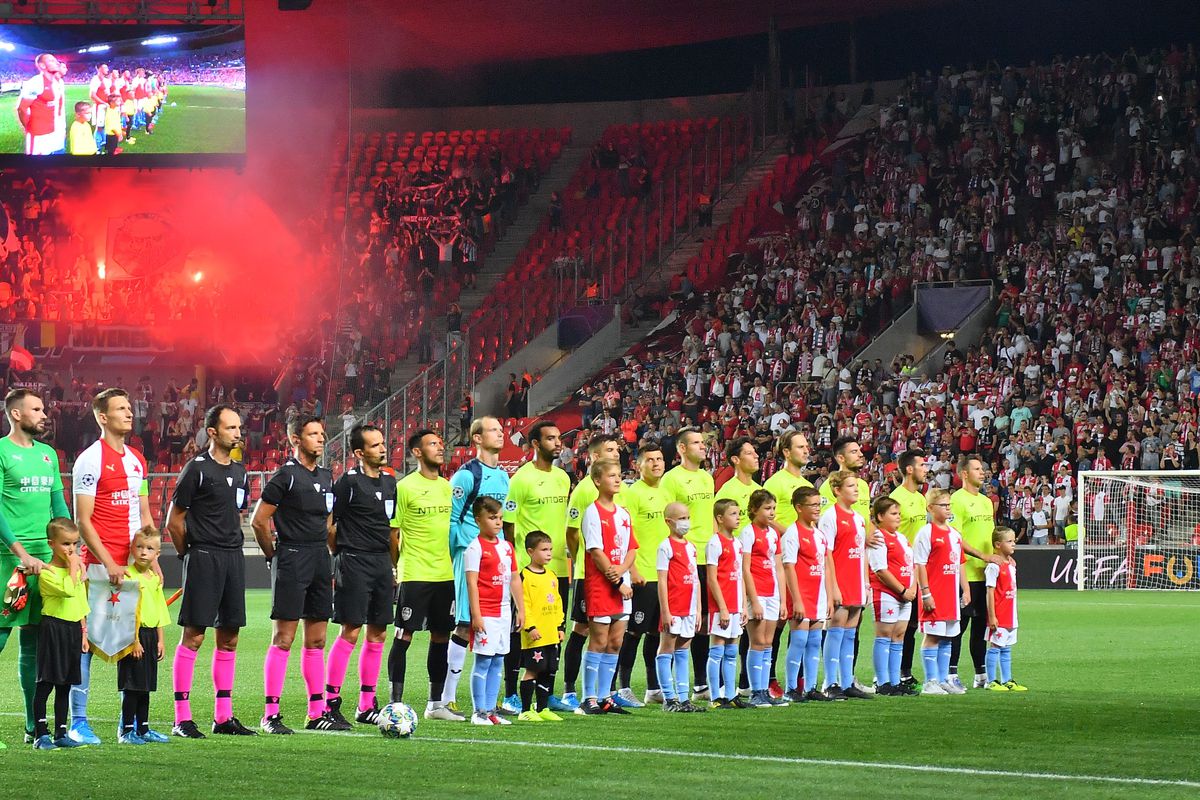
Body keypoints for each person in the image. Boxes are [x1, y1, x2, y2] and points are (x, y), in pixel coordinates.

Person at [251, 416, 344, 734]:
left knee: (317, 639)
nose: (321, 438)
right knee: (284, 638)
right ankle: (270, 715)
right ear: (295, 439)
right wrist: (272, 555)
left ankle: (316, 713)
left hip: (319, 558)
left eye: (322, 433)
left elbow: (329, 521)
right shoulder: (285, 476)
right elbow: (259, 520)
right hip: (292, 556)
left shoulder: (326, 476)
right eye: (313, 434)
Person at [166, 404, 255, 739]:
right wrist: (188, 554)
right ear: (213, 432)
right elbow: (174, 522)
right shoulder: (196, 469)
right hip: (203, 556)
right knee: (194, 636)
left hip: (233, 558)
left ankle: (223, 717)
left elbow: (237, 513)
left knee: (229, 638)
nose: (238, 433)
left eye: (239, 427)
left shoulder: (241, 472)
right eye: (231, 428)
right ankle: (182, 718)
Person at [71, 387, 151, 745]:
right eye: (120, 408)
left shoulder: (137, 459)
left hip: (132, 566)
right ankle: (78, 722)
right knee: (87, 643)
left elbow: (144, 513)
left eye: (129, 407)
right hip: (99, 567)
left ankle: (128, 726)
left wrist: (151, 558)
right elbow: (83, 520)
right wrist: (108, 562)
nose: (129, 413)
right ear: (102, 417)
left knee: (132, 642)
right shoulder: (89, 460)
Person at [0, 389, 70, 747]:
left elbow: (58, 504)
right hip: (7, 561)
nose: (45, 414)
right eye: (37, 409)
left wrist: (71, 550)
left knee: (35, 644)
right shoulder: (1, 451)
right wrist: (19, 553)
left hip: (44, 561)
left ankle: (33, 726)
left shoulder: (47, 455)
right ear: (16, 414)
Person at [325, 424, 399, 727]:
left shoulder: (390, 482)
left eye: (382, 443)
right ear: (359, 452)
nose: (382, 448)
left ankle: (366, 704)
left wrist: (393, 565)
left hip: (381, 562)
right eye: (375, 445)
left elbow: (391, 528)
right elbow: (331, 526)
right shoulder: (347, 483)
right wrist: (341, 555)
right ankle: (330, 701)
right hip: (353, 561)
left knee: (378, 632)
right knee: (351, 631)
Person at [501, 420, 570, 714]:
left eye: (558, 437)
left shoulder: (563, 478)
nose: (558, 442)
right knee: (521, 631)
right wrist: (516, 564)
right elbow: (508, 524)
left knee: (554, 631)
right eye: (550, 438)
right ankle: (511, 694)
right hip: (527, 572)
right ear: (535, 444)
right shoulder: (521, 479)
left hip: (557, 569)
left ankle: (547, 693)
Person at [445, 417, 510, 715]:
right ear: (477, 438)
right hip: (470, 557)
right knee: (465, 622)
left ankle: (488, 700)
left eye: (501, 429)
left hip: (496, 560)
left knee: (494, 623)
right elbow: (452, 520)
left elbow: (502, 520)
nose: (500, 433)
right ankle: (448, 696)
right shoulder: (466, 475)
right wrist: (463, 551)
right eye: (494, 430)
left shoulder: (504, 477)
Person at [389, 428, 455, 720]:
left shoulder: (447, 487)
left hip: (444, 573)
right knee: (404, 635)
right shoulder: (404, 487)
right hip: (415, 572)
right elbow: (393, 533)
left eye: (440, 443)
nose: (440, 447)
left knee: (441, 636)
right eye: (432, 444)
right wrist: (399, 566)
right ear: (417, 452)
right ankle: (395, 703)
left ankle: (435, 705)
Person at [561, 433, 622, 708]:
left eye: (617, 449)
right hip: (590, 574)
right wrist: (580, 560)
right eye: (610, 449)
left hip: (615, 572)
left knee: (613, 632)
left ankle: (606, 691)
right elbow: (572, 532)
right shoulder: (584, 490)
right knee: (583, 629)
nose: (616, 453)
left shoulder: (619, 488)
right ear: (595, 456)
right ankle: (570, 689)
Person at [576, 459, 637, 715]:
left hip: (622, 584)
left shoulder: (623, 513)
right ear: (597, 481)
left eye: (619, 475)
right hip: (602, 586)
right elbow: (596, 552)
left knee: (615, 642)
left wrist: (623, 572)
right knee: (599, 641)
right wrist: (619, 581)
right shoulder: (593, 512)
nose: (617, 479)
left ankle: (605, 696)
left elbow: (632, 548)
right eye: (611, 475)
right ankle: (588, 697)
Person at [660, 427, 715, 700]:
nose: (702, 446)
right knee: (671, 624)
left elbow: (710, 515)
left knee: (700, 622)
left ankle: (700, 683)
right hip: (682, 558)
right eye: (696, 442)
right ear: (682, 448)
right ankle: (662, 687)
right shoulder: (672, 479)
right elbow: (667, 518)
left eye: (702, 442)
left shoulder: (707, 477)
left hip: (707, 556)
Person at [614, 442, 670, 707]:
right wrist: (633, 570)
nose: (656, 463)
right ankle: (623, 686)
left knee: (657, 633)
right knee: (634, 633)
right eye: (650, 460)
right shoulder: (632, 494)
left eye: (659, 459)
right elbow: (626, 534)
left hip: (664, 575)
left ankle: (653, 687)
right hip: (643, 575)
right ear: (638, 465)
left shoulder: (667, 492)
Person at [465, 497, 523, 726]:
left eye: (500, 518)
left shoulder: (507, 547)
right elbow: (472, 583)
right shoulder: (475, 548)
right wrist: (476, 615)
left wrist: (520, 609)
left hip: (504, 612)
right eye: (492, 518)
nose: (498, 522)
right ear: (478, 520)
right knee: (483, 661)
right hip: (486, 613)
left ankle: (490, 710)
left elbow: (515, 578)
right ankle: (478, 712)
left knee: (498, 661)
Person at [950, 454, 1004, 690]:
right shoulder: (956, 500)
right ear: (964, 473)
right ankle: (951, 674)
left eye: (982, 469)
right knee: (959, 627)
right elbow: (955, 538)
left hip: (986, 575)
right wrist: (983, 556)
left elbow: (991, 536)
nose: (982, 472)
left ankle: (980, 675)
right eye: (977, 469)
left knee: (982, 626)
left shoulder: (986, 501)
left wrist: (1002, 557)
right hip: (966, 575)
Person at [32, 518, 87, 750]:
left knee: (66, 683)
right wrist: (75, 567)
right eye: (65, 544)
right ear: (51, 544)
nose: (71, 549)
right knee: (46, 682)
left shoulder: (76, 572)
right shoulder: (48, 573)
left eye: (75, 543)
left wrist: (83, 632)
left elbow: (80, 601)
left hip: (73, 629)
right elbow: (67, 591)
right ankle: (40, 735)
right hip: (53, 628)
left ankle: (61, 733)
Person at [816, 469, 872, 700]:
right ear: (837, 490)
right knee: (836, 630)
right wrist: (833, 587)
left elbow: (862, 552)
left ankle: (847, 681)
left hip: (856, 581)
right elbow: (826, 553)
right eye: (850, 486)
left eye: (857, 486)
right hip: (839, 580)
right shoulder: (830, 517)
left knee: (850, 633)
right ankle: (830, 682)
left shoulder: (858, 518)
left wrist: (866, 582)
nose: (856, 490)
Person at [116, 527, 170, 744]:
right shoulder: (127, 576)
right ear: (132, 549)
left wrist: (160, 639)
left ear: (157, 553)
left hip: (150, 636)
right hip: (132, 636)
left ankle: (143, 728)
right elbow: (124, 612)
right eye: (139, 547)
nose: (143, 552)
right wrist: (133, 640)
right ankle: (126, 730)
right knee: (131, 686)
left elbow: (159, 609)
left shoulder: (155, 579)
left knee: (145, 686)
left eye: (149, 548)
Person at [913, 488, 969, 696]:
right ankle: (930, 681)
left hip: (951, 596)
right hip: (934, 594)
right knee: (933, 636)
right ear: (930, 508)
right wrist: (925, 593)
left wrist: (966, 589)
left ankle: (944, 679)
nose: (948, 508)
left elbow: (960, 562)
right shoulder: (926, 533)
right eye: (943, 505)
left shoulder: (954, 534)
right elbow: (919, 564)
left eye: (949, 505)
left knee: (948, 637)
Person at [781, 486, 833, 702]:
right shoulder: (792, 534)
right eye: (812, 505)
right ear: (799, 507)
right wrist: (797, 600)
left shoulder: (819, 535)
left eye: (818, 504)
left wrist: (829, 596)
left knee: (814, 641)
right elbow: (788, 567)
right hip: (801, 595)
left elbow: (825, 567)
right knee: (799, 640)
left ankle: (811, 687)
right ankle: (791, 688)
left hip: (818, 594)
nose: (817, 508)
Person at [740, 489, 788, 707]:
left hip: (772, 593)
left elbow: (778, 567)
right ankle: (755, 691)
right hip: (757, 593)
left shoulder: (773, 534)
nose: (772, 513)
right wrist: (754, 600)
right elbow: (745, 568)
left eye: (773, 508)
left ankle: (764, 690)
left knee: (768, 643)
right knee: (757, 642)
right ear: (753, 509)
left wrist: (783, 600)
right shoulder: (748, 533)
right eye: (767, 508)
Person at [654, 502, 703, 713]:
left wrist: (698, 609)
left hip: (689, 608)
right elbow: (662, 580)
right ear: (669, 521)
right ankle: (669, 698)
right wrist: (665, 611)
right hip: (674, 607)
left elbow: (695, 579)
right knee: (666, 649)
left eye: (687, 517)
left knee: (683, 649)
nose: (686, 522)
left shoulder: (691, 547)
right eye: (682, 518)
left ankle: (683, 698)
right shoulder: (665, 547)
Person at [866, 497, 917, 696]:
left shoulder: (902, 538)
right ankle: (882, 681)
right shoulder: (879, 538)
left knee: (899, 636)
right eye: (893, 513)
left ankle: (895, 681)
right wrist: (903, 590)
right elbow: (880, 570)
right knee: (884, 635)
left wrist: (912, 588)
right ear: (880, 516)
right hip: (886, 593)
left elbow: (912, 566)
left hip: (905, 595)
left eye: (898, 513)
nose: (898, 517)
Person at [888, 449, 928, 690]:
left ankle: (904, 672)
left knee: (911, 625)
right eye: (922, 465)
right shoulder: (897, 498)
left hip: (916, 569)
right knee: (896, 627)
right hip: (899, 569)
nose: (926, 469)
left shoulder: (921, 499)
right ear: (910, 469)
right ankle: (888, 675)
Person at [516, 530, 564, 722]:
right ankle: (525, 710)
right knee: (534, 668)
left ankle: (543, 707)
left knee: (548, 669)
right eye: (544, 550)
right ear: (530, 551)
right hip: (534, 634)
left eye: (550, 549)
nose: (549, 553)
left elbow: (557, 602)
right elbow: (524, 604)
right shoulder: (524, 576)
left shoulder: (551, 575)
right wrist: (530, 627)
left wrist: (560, 626)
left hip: (551, 633)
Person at [705, 499, 747, 709]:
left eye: (738, 513)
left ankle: (731, 694)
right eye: (733, 514)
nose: (738, 517)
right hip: (721, 607)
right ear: (720, 518)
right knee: (717, 650)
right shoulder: (715, 543)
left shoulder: (737, 543)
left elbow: (739, 576)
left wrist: (744, 606)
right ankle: (715, 697)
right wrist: (722, 608)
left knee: (731, 651)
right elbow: (712, 579)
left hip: (736, 605)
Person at [984, 527, 1026, 692]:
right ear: (998, 544)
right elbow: (990, 592)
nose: (1013, 544)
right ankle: (990, 681)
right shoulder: (993, 567)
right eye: (1009, 541)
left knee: (1006, 648)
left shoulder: (1011, 565)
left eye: (1014, 540)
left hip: (1010, 615)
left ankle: (1007, 680)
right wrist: (992, 616)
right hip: (999, 615)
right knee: (995, 646)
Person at [763, 430, 813, 532]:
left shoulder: (808, 485)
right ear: (786, 452)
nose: (806, 451)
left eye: (806, 447)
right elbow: (764, 517)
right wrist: (791, 537)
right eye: (800, 447)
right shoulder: (774, 483)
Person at [17, 53, 66, 156]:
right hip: (38, 135)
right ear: (42, 66)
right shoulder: (36, 82)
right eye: (51, 61)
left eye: (56, 60)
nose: (57, 63)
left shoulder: (57, 83)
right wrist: (28, 127)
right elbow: (22, 108)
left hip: (53, 133)